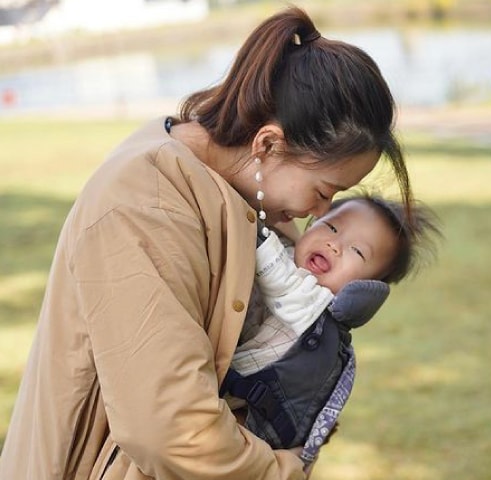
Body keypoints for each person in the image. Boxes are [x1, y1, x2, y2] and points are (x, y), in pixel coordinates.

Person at [0, 6, 414, 480]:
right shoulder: (146, 206)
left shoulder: (255, 203)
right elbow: (170, 428)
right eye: (323, 192)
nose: (321, 215)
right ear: (268, 145)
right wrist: (282, 472)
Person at [224, 194, 440, 468]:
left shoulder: (315, 304)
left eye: (358, 251)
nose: (334, 245)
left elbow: (277, 277)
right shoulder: (290, 256)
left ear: (363, 289)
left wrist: (246, 221)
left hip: (247, 427)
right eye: (332, 227)